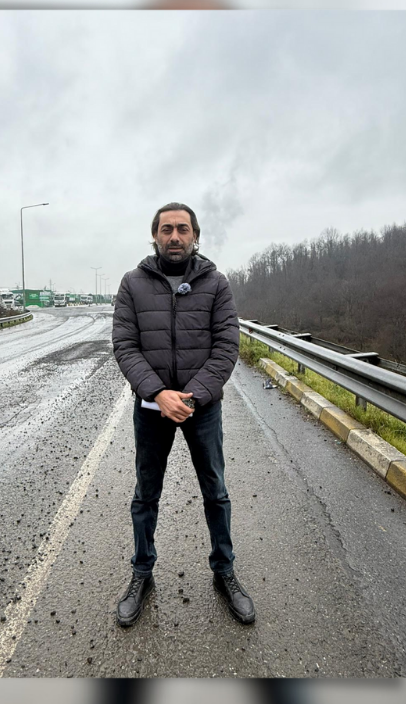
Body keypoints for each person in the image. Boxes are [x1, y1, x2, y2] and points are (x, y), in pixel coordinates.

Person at [110, 202, 255, 627]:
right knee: (146, 494)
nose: (175, 236)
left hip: (201, 408)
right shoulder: (132, 283)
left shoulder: (216, 284)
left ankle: (224, 571)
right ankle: (142, 573)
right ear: (155, 235)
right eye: (167, 229)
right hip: (152, 408)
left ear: (195, 236)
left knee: (216, 491)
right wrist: (158, 392)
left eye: (183, 229)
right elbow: (125, 345)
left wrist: (191, 397)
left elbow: (227, 347)